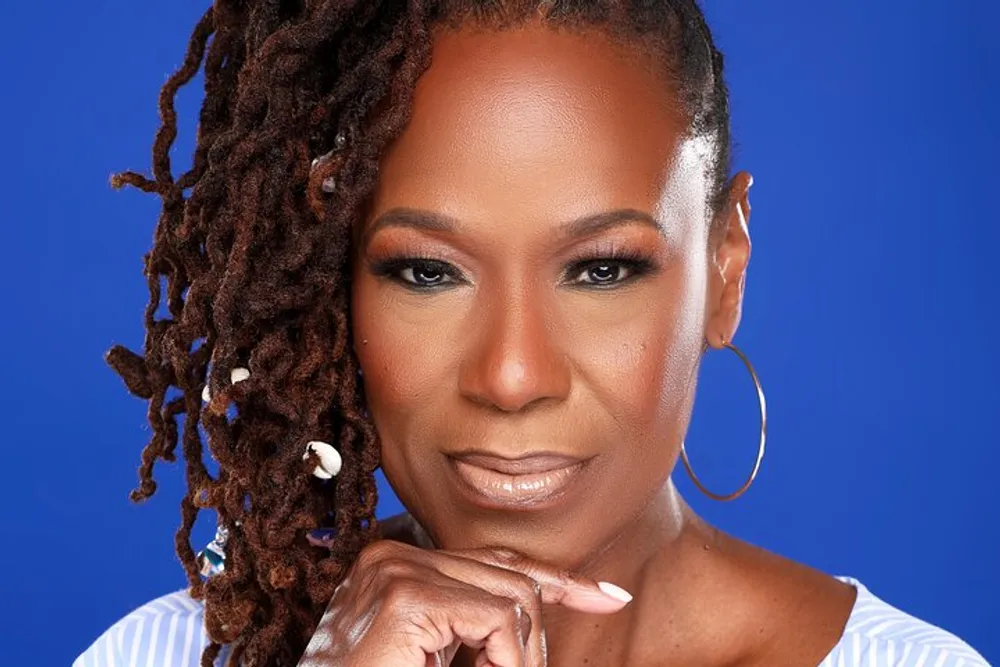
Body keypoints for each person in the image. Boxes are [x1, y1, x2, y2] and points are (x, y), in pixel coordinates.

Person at [77, 2, 989, 666]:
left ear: (725, 270)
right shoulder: (165, 653)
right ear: (333, 285)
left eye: (601, 268)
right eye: (427, 272)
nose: (512, 375)